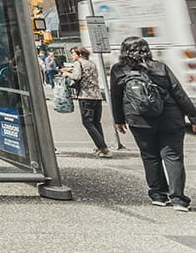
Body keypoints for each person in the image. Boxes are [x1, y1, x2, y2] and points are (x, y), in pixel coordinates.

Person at [111, 37, 196, 212]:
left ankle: (158, 195)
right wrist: (193, 118)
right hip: (170, 118)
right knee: (173, 157)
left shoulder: (119, 70)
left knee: (150, 156)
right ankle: (178, 199)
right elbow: (179, 93)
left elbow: (116, 96)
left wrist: (119, 120)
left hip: (139, 119)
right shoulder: (160, 67)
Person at [62, 46, 111, 157]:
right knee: (96, 122)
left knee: (88, 122)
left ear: (79, 54)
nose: (72, 56)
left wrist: (67, 74)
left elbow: (77, 76)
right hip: (96, 95)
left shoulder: (78, 63)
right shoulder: (91, 63)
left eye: (73, 53)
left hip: (85, 95)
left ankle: (104, 149)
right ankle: (100, 147)